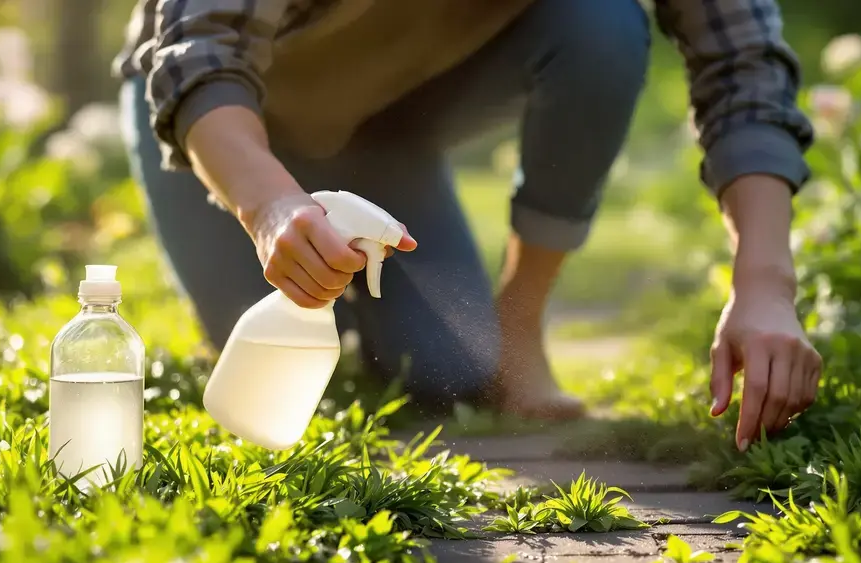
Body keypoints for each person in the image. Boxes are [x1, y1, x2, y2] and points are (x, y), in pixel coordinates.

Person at [114, 0, 823, 451]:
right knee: (265, 350)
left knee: (450, 372)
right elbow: (200, 52)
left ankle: (518, 324)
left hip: (386, 123)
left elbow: (743, 69)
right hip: (217, 122)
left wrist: (765, 285)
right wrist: (269, 207)